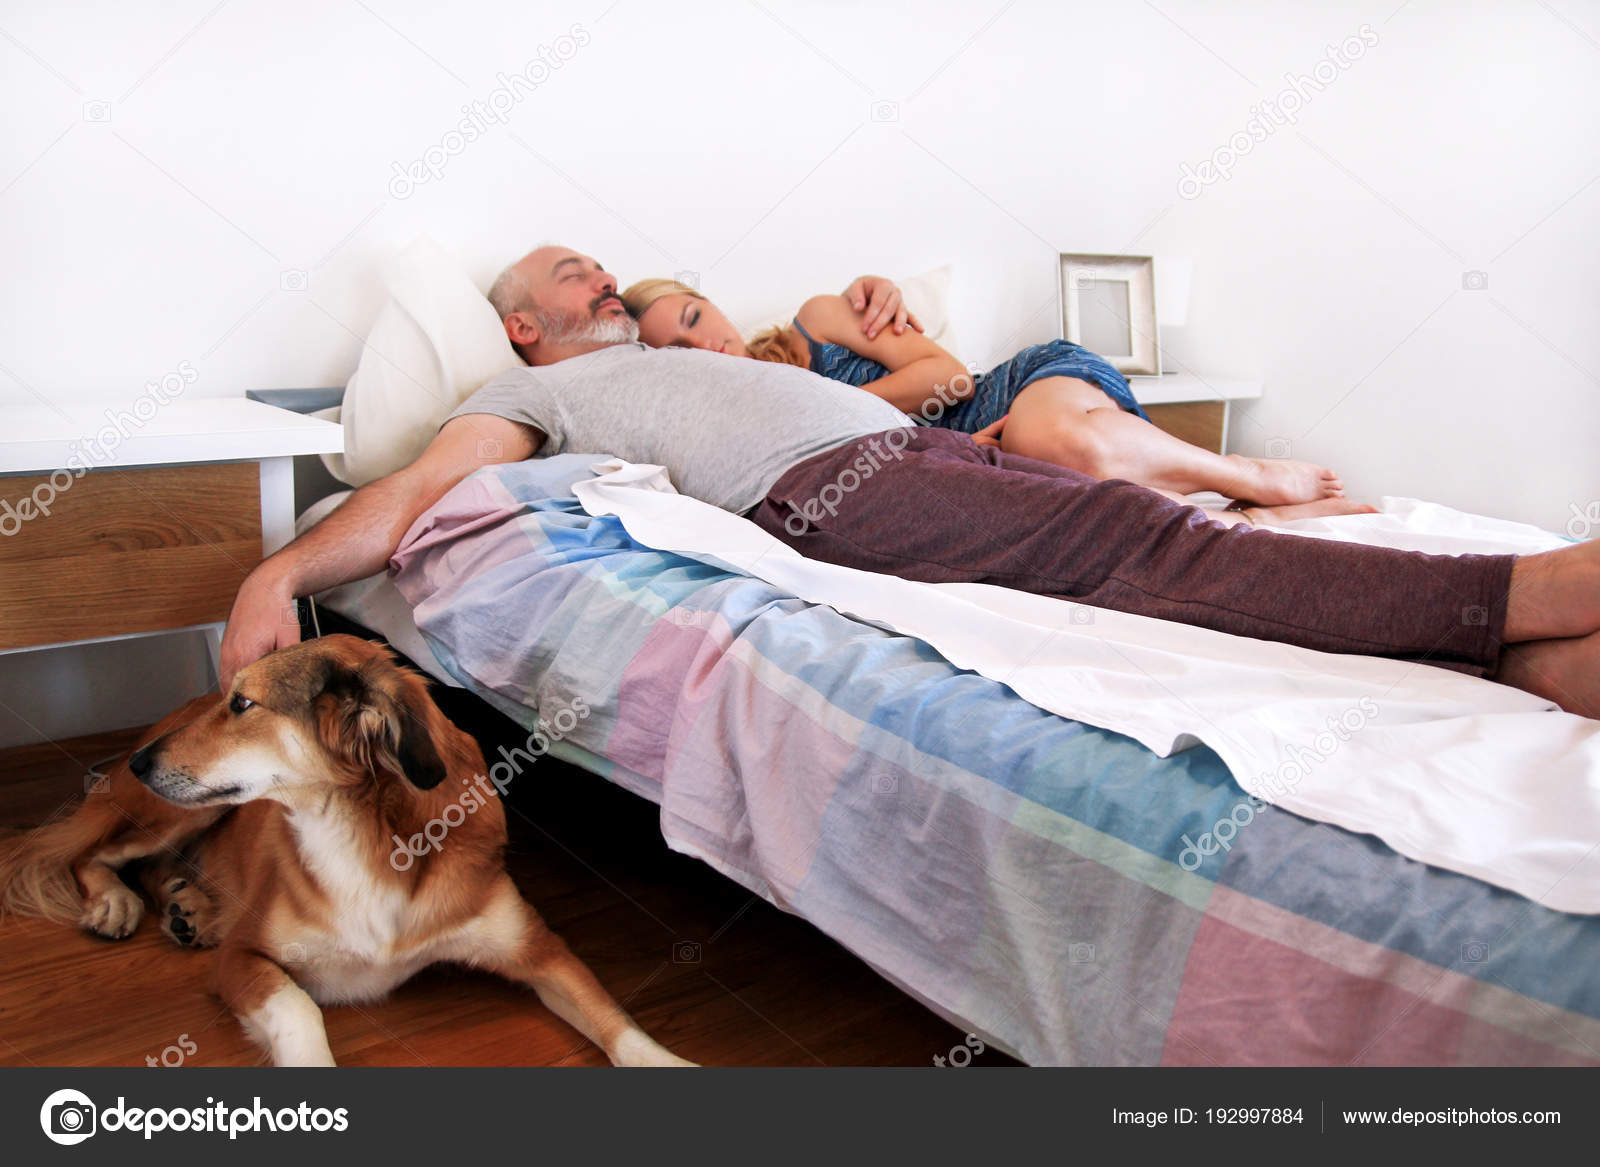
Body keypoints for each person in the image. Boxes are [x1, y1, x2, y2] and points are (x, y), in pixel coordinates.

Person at [220, 246, 1600, 725]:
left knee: (1139, 536)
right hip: (831, 483)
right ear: (520, 323)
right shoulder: (523, 393)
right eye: (568, 272)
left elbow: (911, 363)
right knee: (1145, 544)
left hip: (916, 445)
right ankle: (1531, 586)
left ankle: (1535, 663)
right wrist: (279, 572)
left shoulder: (687, 341)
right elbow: (415, 496)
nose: (601, 276)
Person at [621, 277, 1358, 518]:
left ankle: (1246, 475)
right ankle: (1238, 517)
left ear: (710, 302)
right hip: (967, 453)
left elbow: (950, 381)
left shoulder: (817, 323)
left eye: (695, 320)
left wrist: (833, 400)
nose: (703, 347)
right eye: (677, 352)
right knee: (1065, 498)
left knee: (1048, 442)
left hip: (1020, 387)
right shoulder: (741, 421)